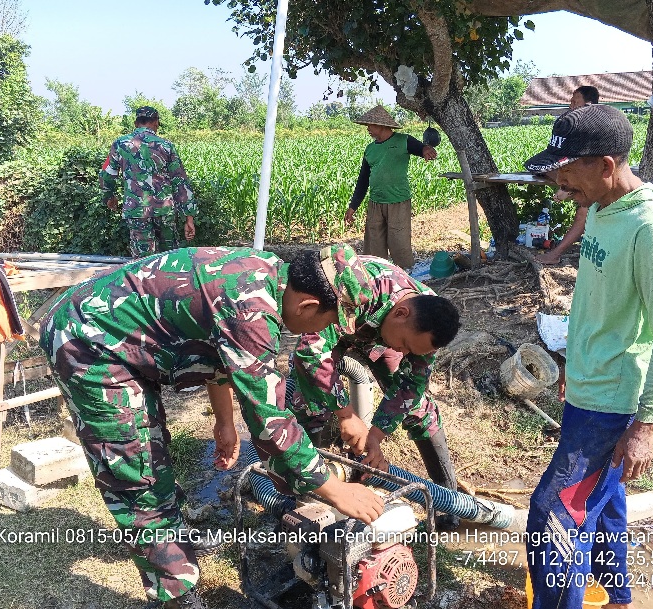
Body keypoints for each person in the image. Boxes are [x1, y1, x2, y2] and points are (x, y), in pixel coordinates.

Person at [39, 245, 385, 609]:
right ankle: (176, 593)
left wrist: (224, 422)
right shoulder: (251, 310)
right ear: (308, 307)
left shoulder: (267, 277)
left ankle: (176, 539)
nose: (323, 332)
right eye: (328, 322)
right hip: (89, 340)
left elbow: (217, 346)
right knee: (137, 470)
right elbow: (270, 419)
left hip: (115, 329)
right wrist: (333, 489)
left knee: (150, 451)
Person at [522, 104, 653, 609]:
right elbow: (593, 298)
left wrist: (647, 424)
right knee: (605, 500)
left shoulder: (649, 228)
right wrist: (574, 359)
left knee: (553, 517)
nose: (559, 186)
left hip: (613, 403)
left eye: (568, 174)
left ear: (607, 166)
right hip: (589, 386)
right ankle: (617, 598)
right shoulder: (600, 210)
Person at [287, 254, 462, 529]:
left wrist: (375, 437)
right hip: (339, 322)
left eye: (411, 351)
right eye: (404, 344)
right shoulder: (359, 286)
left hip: (381, 335)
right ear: (401, 314)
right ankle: (305, 491)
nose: (404, 352)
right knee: (311, 402)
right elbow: (310, 352)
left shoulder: (430, 323)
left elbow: (411, 387)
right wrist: (345, 415)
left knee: (418, 409)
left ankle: (447, 500)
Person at [344, 105, 437, 270]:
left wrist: (426, 149)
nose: (368, 129)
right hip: (375, 204)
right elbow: (363, 180)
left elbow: (420, 148)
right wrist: (353, 206)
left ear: (381, 125)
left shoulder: (403, 141)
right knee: (374, 246)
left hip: (398, 202)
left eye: (370, 125)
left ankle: (406, 277)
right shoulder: (370, 149)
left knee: (399, 244)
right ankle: (377, 276)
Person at [99, 106, 197, 259]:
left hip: (137, 212)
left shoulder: (120, 144)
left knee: (143, 263)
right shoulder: (166, 146)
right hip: (164, 212)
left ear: (135, 123)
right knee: (169, 259)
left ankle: (144, 282)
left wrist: (109, 197)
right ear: (156, 122)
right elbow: (180, 181)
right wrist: (188, 217)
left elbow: (106, 175)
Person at [535, 85, 599, 265]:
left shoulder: (592, 129)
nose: (571, 106)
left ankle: (555, 254)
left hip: (593, 181)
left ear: (588, 104)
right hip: (581, 177)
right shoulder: (573, 126)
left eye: (574, 101)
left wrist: (567, 188)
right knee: (541, 167)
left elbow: (587, 168)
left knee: (583, 213)